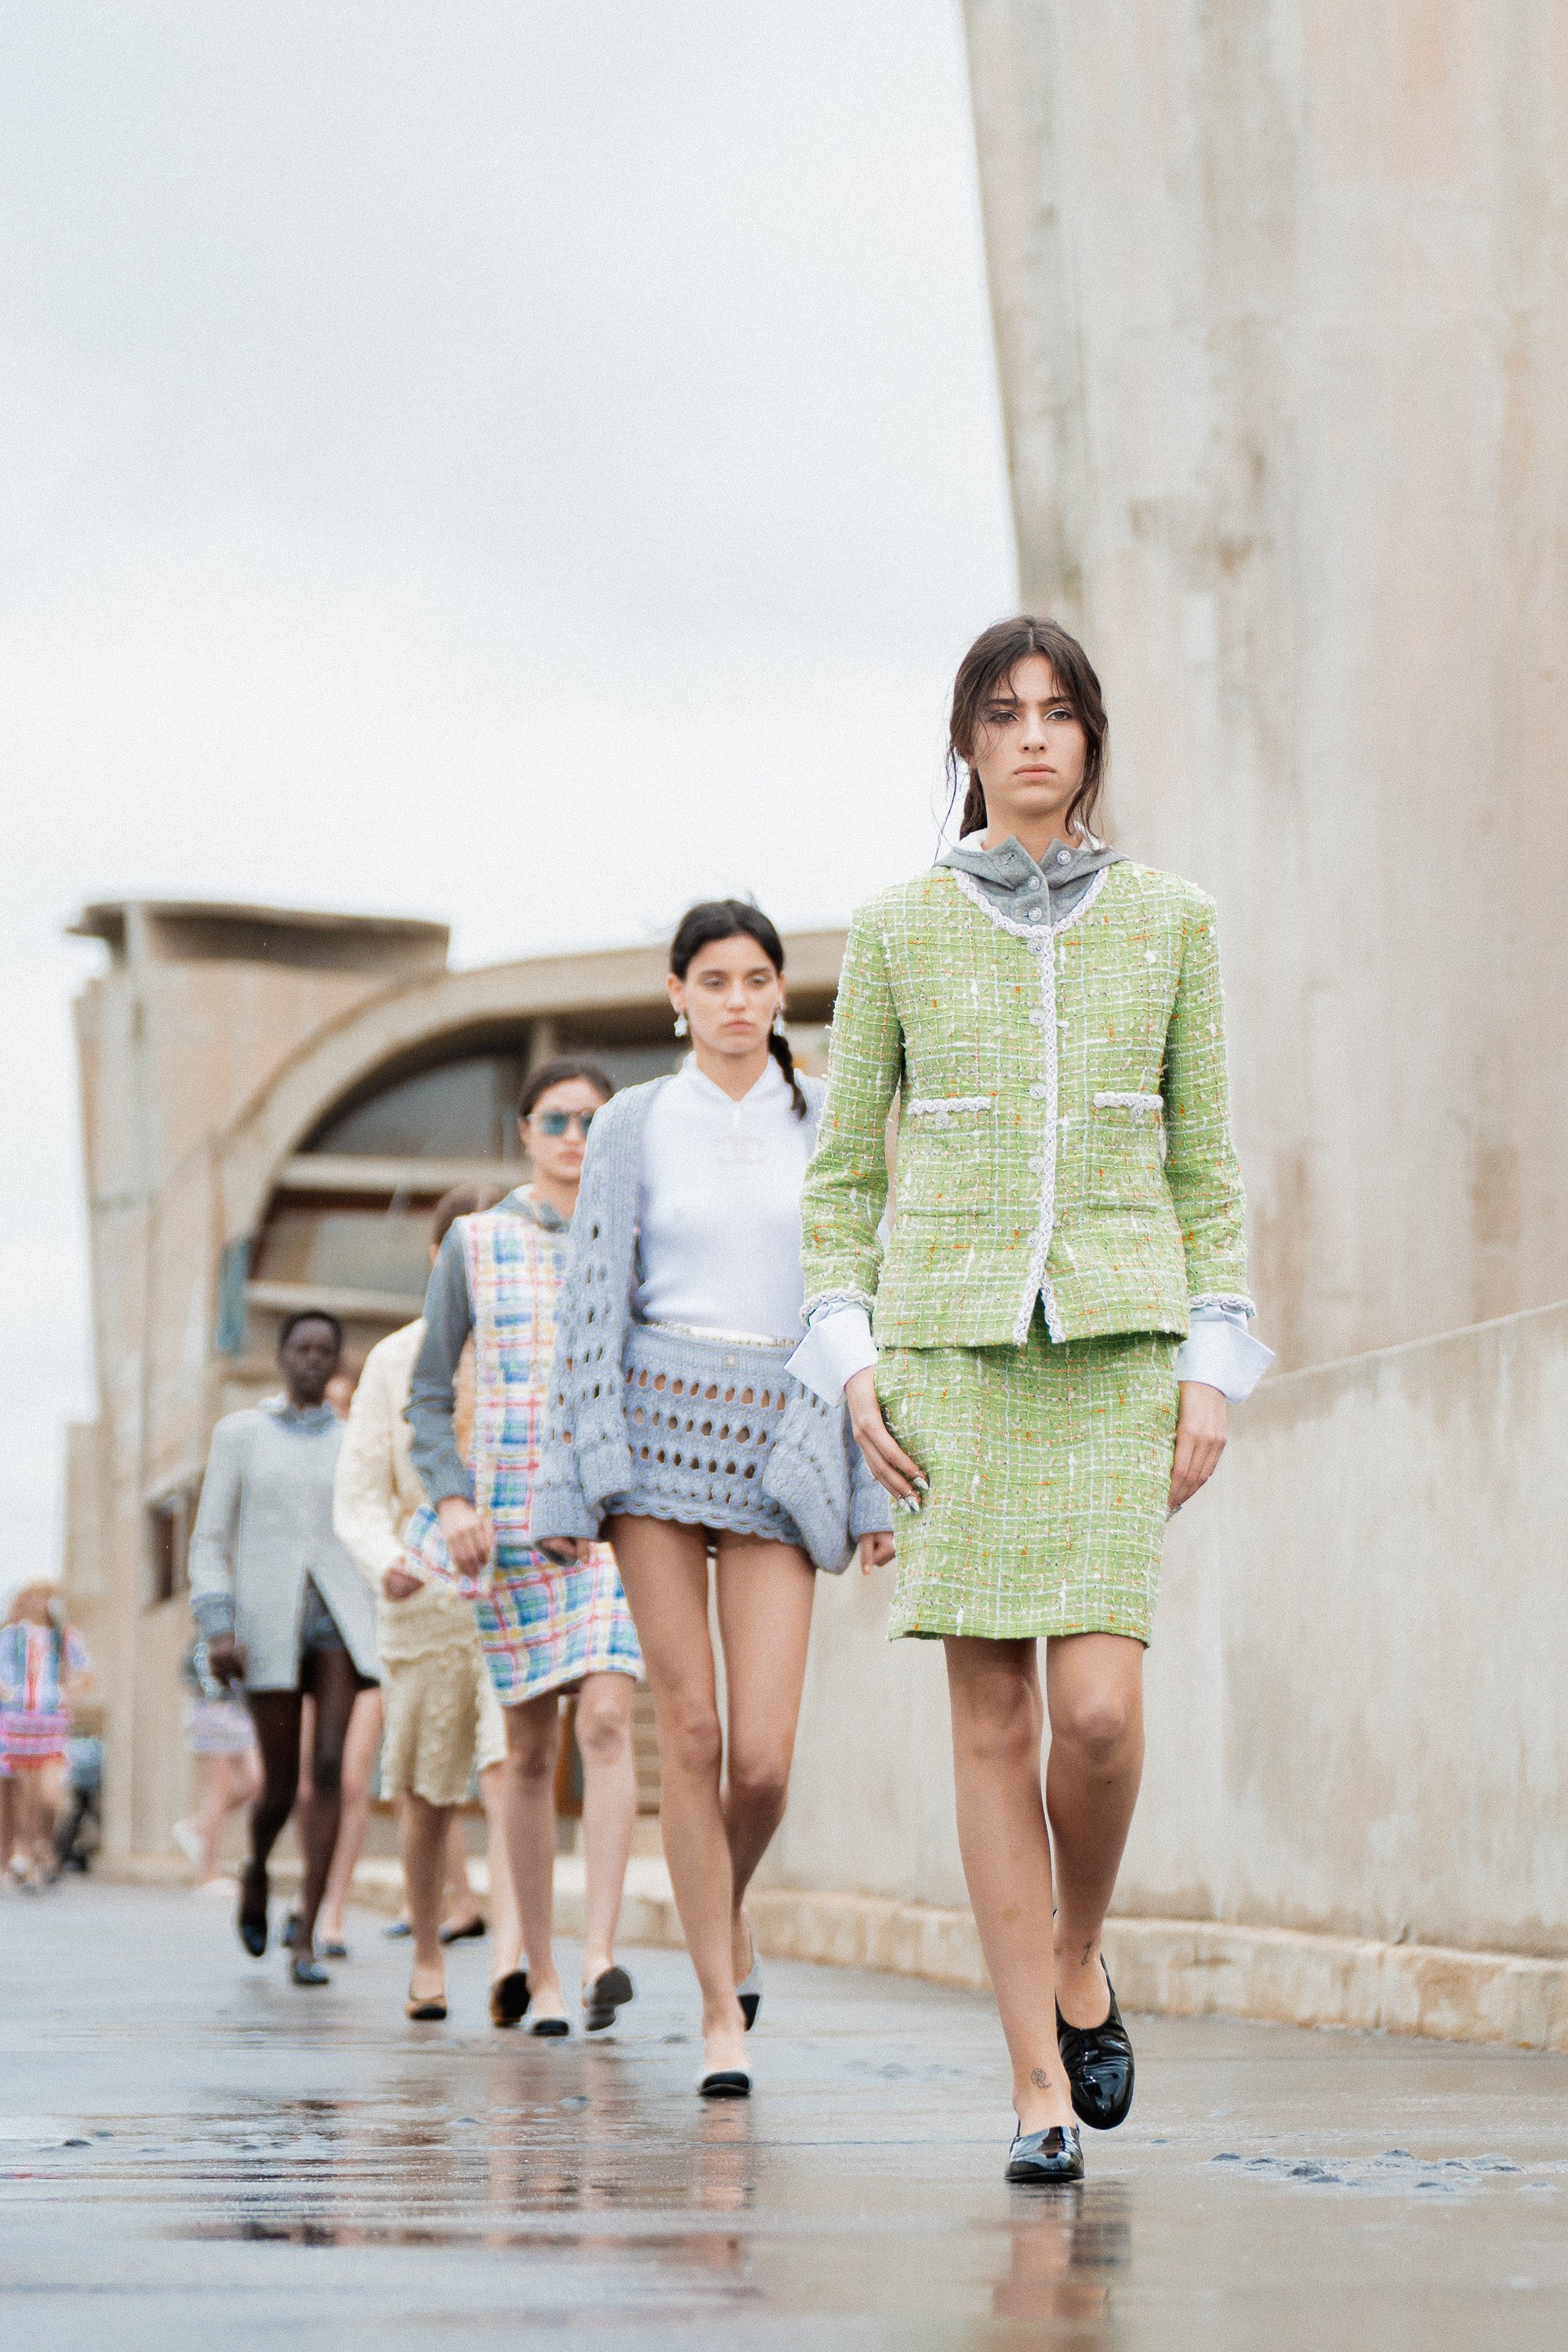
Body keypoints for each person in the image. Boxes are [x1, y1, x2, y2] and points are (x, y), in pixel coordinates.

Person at [795, 616, 1272, 2184]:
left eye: (1056, 714)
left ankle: (1079, 1951)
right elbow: (846, 1176)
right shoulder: (898, 930)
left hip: (1119, 1352)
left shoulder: (1173, 924)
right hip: (949, 1360)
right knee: (991, 1722)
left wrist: (1211, 1364)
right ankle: (1031, 2089)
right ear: (966, 745)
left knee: (1101, 1714)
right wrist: (854, 1360)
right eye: (1001, 716)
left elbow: (1206, 1168)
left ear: (1090, 740)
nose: (1031, 740)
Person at [532, 906, 894, 2099]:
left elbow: (864, 1292)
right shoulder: (634, 1121)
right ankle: (713, 2012)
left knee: (765, 1763)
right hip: (651, 1436)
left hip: (783, 1431)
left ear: (782, 995)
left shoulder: (831, 1112)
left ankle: (719, 1909)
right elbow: (594, 1299)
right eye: (714, 981)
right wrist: (570, 1476)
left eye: (758, 980)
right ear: (677, 995)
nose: (738, 1000)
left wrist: (871, 1469)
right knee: (685, 1732)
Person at [406, 1060, 644, 2037]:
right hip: (504, 1522)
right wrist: (451, 1500)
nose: (575, 1136)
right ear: (524, 1131)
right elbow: (427, 1395)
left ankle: (600, 1954)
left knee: (607, 1723)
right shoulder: (474, 1244)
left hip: (616, 1515)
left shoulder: (636, 1237)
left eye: (593, 1120)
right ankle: (538, 1971)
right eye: (557, 1119)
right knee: (532, 1744)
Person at [334, 1181, 524, 2023]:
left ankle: (516, 1958)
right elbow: (358, 1493)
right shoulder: (395, 1358)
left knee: (511, 1769)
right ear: (437, 1257)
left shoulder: (536, 1342)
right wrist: (386, 1563)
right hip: (423, 1602)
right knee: (424, 1791)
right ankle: (425, 1955)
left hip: (523, 1588)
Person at [188, 1308, 381, 1984]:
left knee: (328, 1770)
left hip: (338, 1624)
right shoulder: (239, 1434)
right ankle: (257, 1868)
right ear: (281, 1355)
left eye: (324, 1349)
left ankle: (305, 1929)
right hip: (264, 1626)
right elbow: (210, 1538)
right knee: (275, 1788)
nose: (311, 1358)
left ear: (336, 1362)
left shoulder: (358, 1440)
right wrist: (217, 1625)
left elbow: (370, 1528)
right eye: (300, 1347)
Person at [0, 1577, 93, 1889]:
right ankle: (29, 1855)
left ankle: (42, 1847)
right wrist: (9, 1692)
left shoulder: (63, 1637)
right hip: (17, 1724)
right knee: (24, 1795)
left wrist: (66, 1691)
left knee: (50, 1797)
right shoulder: (9, 1638)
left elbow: (85, 1674)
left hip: (51, 1724)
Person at [172, 1638, 264, 1885]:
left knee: (256, 1781)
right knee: (219, 1792)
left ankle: (197, 1825)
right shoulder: (210, 1630)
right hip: (213, 1709)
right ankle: (208, 1874)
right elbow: (194, 1671)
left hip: (241, 1713)